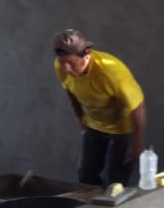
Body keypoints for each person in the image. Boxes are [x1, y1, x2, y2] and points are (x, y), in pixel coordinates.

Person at [52, 29, 146, 187]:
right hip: (94, 124)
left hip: (122, 128)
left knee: (115, 180)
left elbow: (137, 106)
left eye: (72, 64)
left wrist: (136, 143)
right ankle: (92, 202)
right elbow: (70, 91)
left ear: (87, 55)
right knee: (86, 174)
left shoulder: (111, 71)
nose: (66, 69)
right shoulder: (60, 67)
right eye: (63, 63)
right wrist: (79, 118)